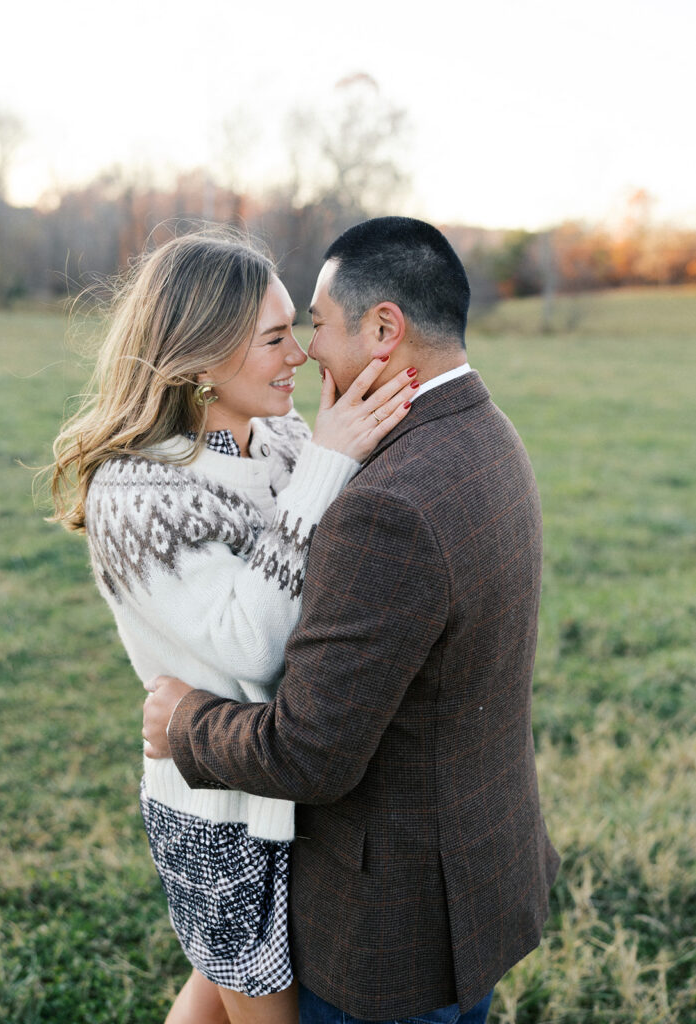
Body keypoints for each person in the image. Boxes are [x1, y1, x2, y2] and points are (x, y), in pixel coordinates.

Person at [143, 217, 561, 1024]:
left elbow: (308, 755)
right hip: (474, 872)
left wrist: (184, 722)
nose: (308, 352)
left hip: (391, 931)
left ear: (382, 329)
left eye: (317, 325)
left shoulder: (387, 507)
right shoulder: (485, 433)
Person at [48, 230, 418, 1024]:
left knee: (214, 992)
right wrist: (327, 465)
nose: (303, 355)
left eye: (297, 329)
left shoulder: (284, 439)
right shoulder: (138, 491)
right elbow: (252, 644)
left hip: (292, 784)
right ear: (198, 360)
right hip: (220, 811)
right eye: (275, 337)